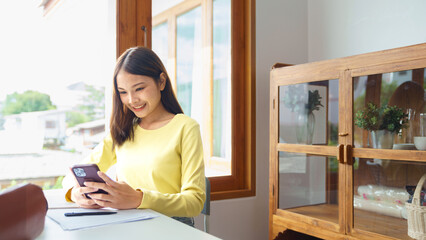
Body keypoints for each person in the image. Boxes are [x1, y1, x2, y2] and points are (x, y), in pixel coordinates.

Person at [62, 46, 206, 226]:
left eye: (139, 88)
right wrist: (75, 193)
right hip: (128, 226)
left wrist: (139, 199)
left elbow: (194, 202)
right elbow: (73, 174)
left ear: (161, 82)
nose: (132, 100)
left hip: (172, 227)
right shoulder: (123, 131)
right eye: (123, 92)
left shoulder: (185, 128)